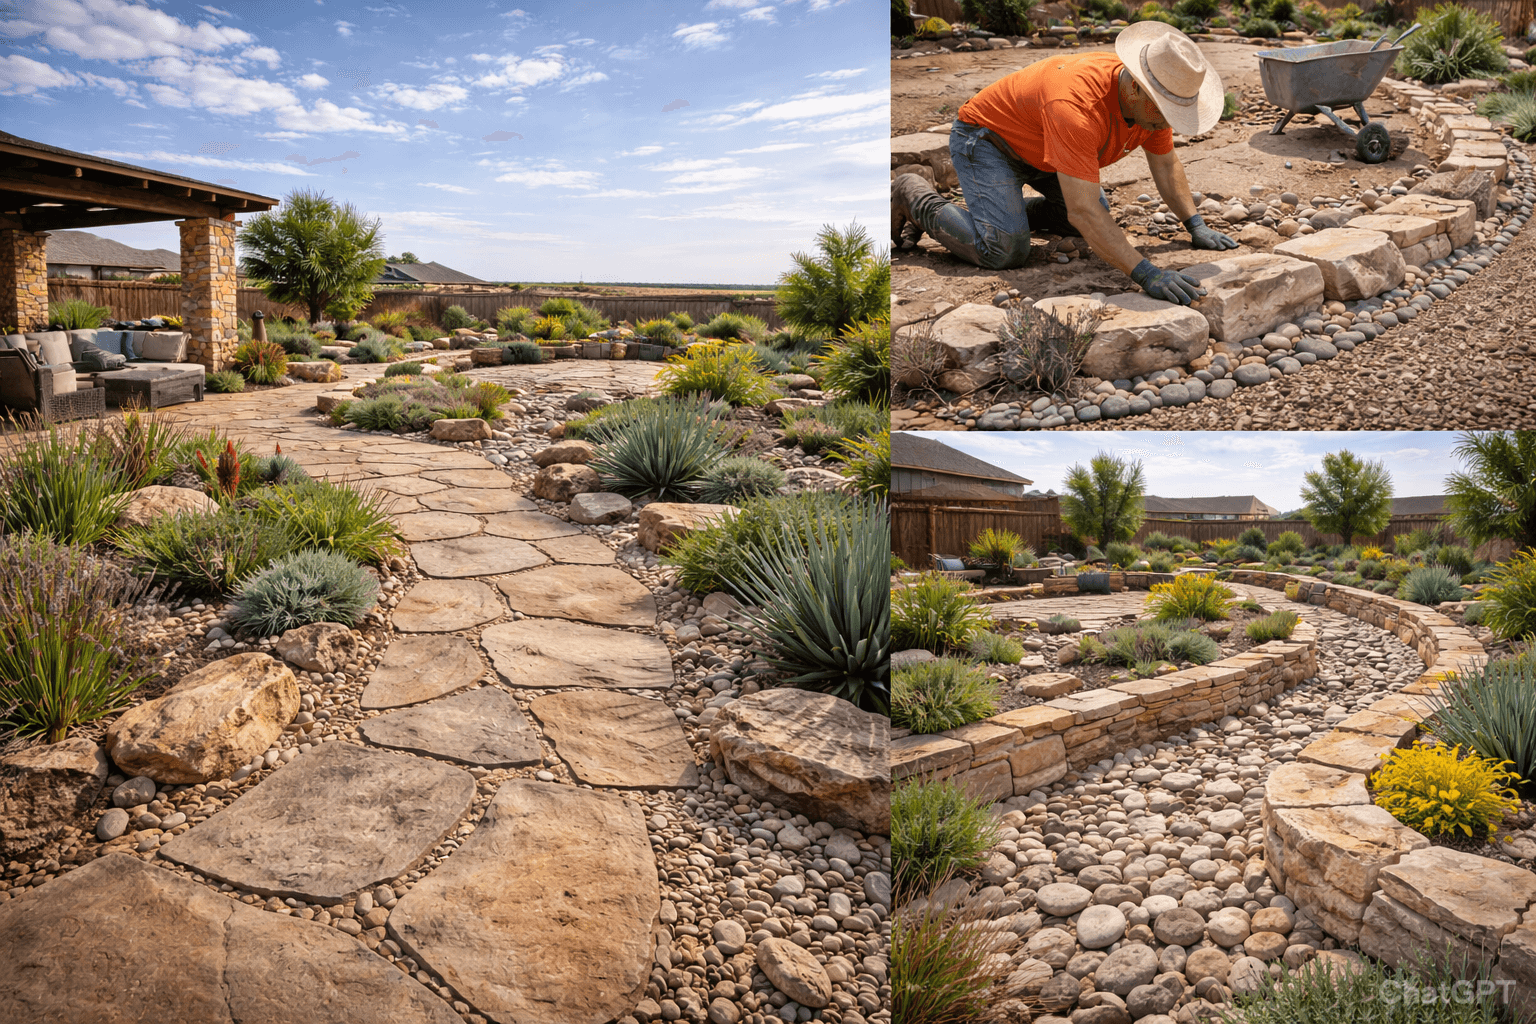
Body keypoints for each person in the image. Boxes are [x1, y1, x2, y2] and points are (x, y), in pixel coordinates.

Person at [891, 22, 1240, 306]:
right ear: (1135, 87)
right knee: (1005, 250)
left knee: (1081, 223)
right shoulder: (1076, 105)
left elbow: (1165, 165)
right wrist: (1145, 272)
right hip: (986, 140)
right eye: (1165, 112)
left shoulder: (1152, 110)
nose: (1167, 123)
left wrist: (1194, 224)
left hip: (1045, 149)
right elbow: (1084, 210)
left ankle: (998, 214)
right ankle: (912, 194)